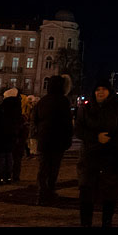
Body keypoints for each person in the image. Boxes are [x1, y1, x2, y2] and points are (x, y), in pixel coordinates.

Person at [75, 79, 118, 227]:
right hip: (90, 159)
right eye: (97, 89)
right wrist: (96, 138)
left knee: (110, 196)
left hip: (112, 158)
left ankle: (107, 222)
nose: (100, 92)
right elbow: (79, 129)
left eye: (103, 89)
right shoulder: (86, 108)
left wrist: (113, 140)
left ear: (110, 91)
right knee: (86, 195)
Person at [33, 75, 74, 205]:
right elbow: (67, 122)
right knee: (53, 167)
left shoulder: (43, 101)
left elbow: (35, 119)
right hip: (58, 139)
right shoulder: (63, 101)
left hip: (44, 139)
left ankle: (41, 192)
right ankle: (50, 191)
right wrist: (68, 138)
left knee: (43, 167)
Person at [0, 88, 23, 185]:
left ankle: (0, 177)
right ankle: (8, 176)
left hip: (1, 134)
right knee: (9, 156)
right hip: (12, 135)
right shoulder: (17, 106)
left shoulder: (4, 106)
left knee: (1, 157)